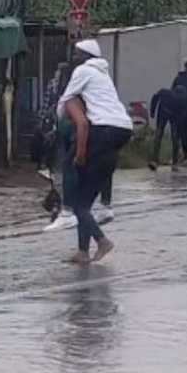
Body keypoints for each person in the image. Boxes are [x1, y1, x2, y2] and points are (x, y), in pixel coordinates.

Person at [56, 39, 133, 264]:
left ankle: (90, 231)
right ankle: (83, 251)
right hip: (121, 131)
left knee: (70, 166)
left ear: (87, 56)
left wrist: (60, 117)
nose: (74, 58)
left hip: (103, 129)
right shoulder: (103, 75)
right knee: (85, 203)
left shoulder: (83, 71)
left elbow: (66, 100)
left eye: (77, 54)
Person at [147, 85, 187, 171]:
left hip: (175, 116)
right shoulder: (165, 93)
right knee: (158, 135)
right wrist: (152, 111)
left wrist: (179, 127)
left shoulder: (184, 101)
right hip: (163, 112)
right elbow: (155, 98)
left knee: (175, 138)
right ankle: (155, 160)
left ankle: (175, 163)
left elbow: (183, 115)